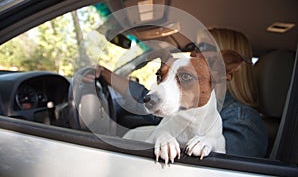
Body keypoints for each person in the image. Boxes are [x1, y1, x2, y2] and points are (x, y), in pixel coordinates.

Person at [95, 28, 268, 158]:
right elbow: (145, 98)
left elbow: (224, 167)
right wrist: (104, 73)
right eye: (194, 46)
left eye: (202, 47)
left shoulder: (243, 120)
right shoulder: (182, 104)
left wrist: (211, 143)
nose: (193, 53)